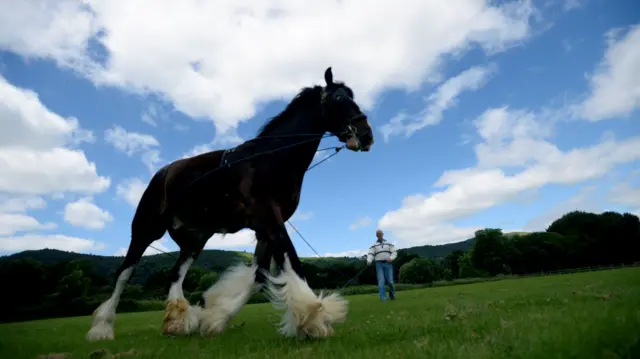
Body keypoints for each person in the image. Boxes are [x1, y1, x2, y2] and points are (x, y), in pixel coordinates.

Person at [366, 229, 397, 301]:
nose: (379, 235)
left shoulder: (389, 243)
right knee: (381, 281)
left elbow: (394, 252)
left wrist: (391, 258)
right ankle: (383, 299)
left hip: (388, 263)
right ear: (376, 236)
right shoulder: (374, 245)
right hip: (379, 264)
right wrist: (369, 260)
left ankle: (392, 296)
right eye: (377, 234)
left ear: (382, 234)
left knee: (390, 282)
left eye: (380, 233)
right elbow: (371, 254)